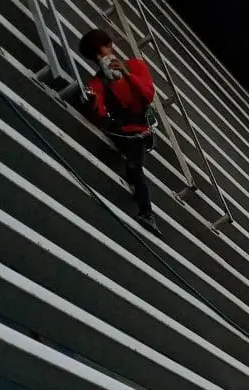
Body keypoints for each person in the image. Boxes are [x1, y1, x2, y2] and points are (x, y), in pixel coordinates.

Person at [78, 28, 161, 237]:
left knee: (134, 165)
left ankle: (147, 213)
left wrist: (126, 74)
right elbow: (100, 110)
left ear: (110, 46)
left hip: (141, 131)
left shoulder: (135, 66)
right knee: (134, 164)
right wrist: (91, 102)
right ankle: (145, 210)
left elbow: (148, 95)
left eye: (102, 50)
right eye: (96, 56)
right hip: (121, 131)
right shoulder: (97, 82)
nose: (101, 57)